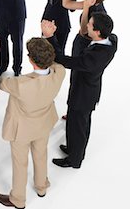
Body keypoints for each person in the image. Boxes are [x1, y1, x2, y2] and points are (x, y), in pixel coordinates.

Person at [0, 38, 65, 209]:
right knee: (40, 155)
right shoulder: (59, 73)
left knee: (20, 163)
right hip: (43, 125)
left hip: (21, 130)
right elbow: (57, 64)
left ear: (30, 60)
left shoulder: (20, 84)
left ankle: (18, 199)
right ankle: (41, 187)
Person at [41, 14, 117, 168]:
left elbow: (64, 60)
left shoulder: (93, 59)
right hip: (85, 90)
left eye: (89, 24)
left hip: (83, 95)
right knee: (76, 124)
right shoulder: (112, 40)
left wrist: (50, 37)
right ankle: (72, 148)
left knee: (79, 127)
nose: (86, 26)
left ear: (97, 32)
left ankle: (75, 160)